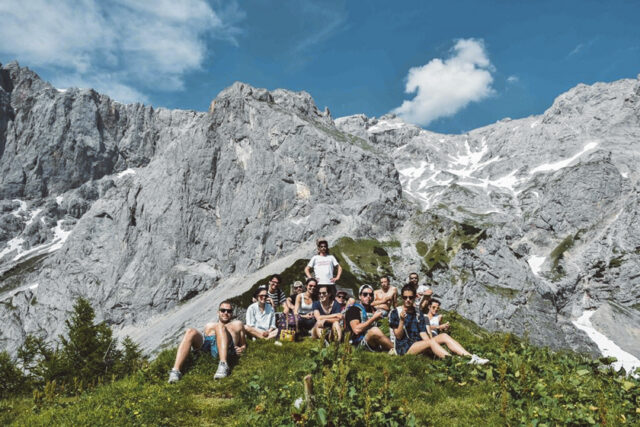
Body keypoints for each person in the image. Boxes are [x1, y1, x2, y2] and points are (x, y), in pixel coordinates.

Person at [390, 286, 488, 364]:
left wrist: (428, 344)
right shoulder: (395, 312)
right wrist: (402, 320)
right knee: (431, 342)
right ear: (402, 297)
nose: (408, 300)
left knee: (443, 336)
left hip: (418, 343)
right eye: (405, 297)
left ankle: (470, 357)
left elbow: (423, 332)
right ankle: (455, 362)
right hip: (404, 347)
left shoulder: (418, 313)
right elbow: (398, 336)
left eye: (410, 297)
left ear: (415, 297)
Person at [168, 300, 246, 382]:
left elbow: (243, 344)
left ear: (232, 313)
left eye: (229, 311)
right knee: (190, 331)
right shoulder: (209, 325)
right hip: (209, 347)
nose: (226, 313)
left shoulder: (237, 324)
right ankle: (175, 371)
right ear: (218, 312)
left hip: (226, 348)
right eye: (223, 310)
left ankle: (223, 364)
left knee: (220, 327)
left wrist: (242, 348)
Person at [344, 285, 394, 352]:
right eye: (365, 294)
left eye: (371, 295)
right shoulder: (353, 310)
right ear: (360, 296)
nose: (368, 297)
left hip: (371, 340)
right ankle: (396, 350)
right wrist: (373, 318)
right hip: (357, 342)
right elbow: (356, 330)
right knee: (374, 330)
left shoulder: (373, 310)